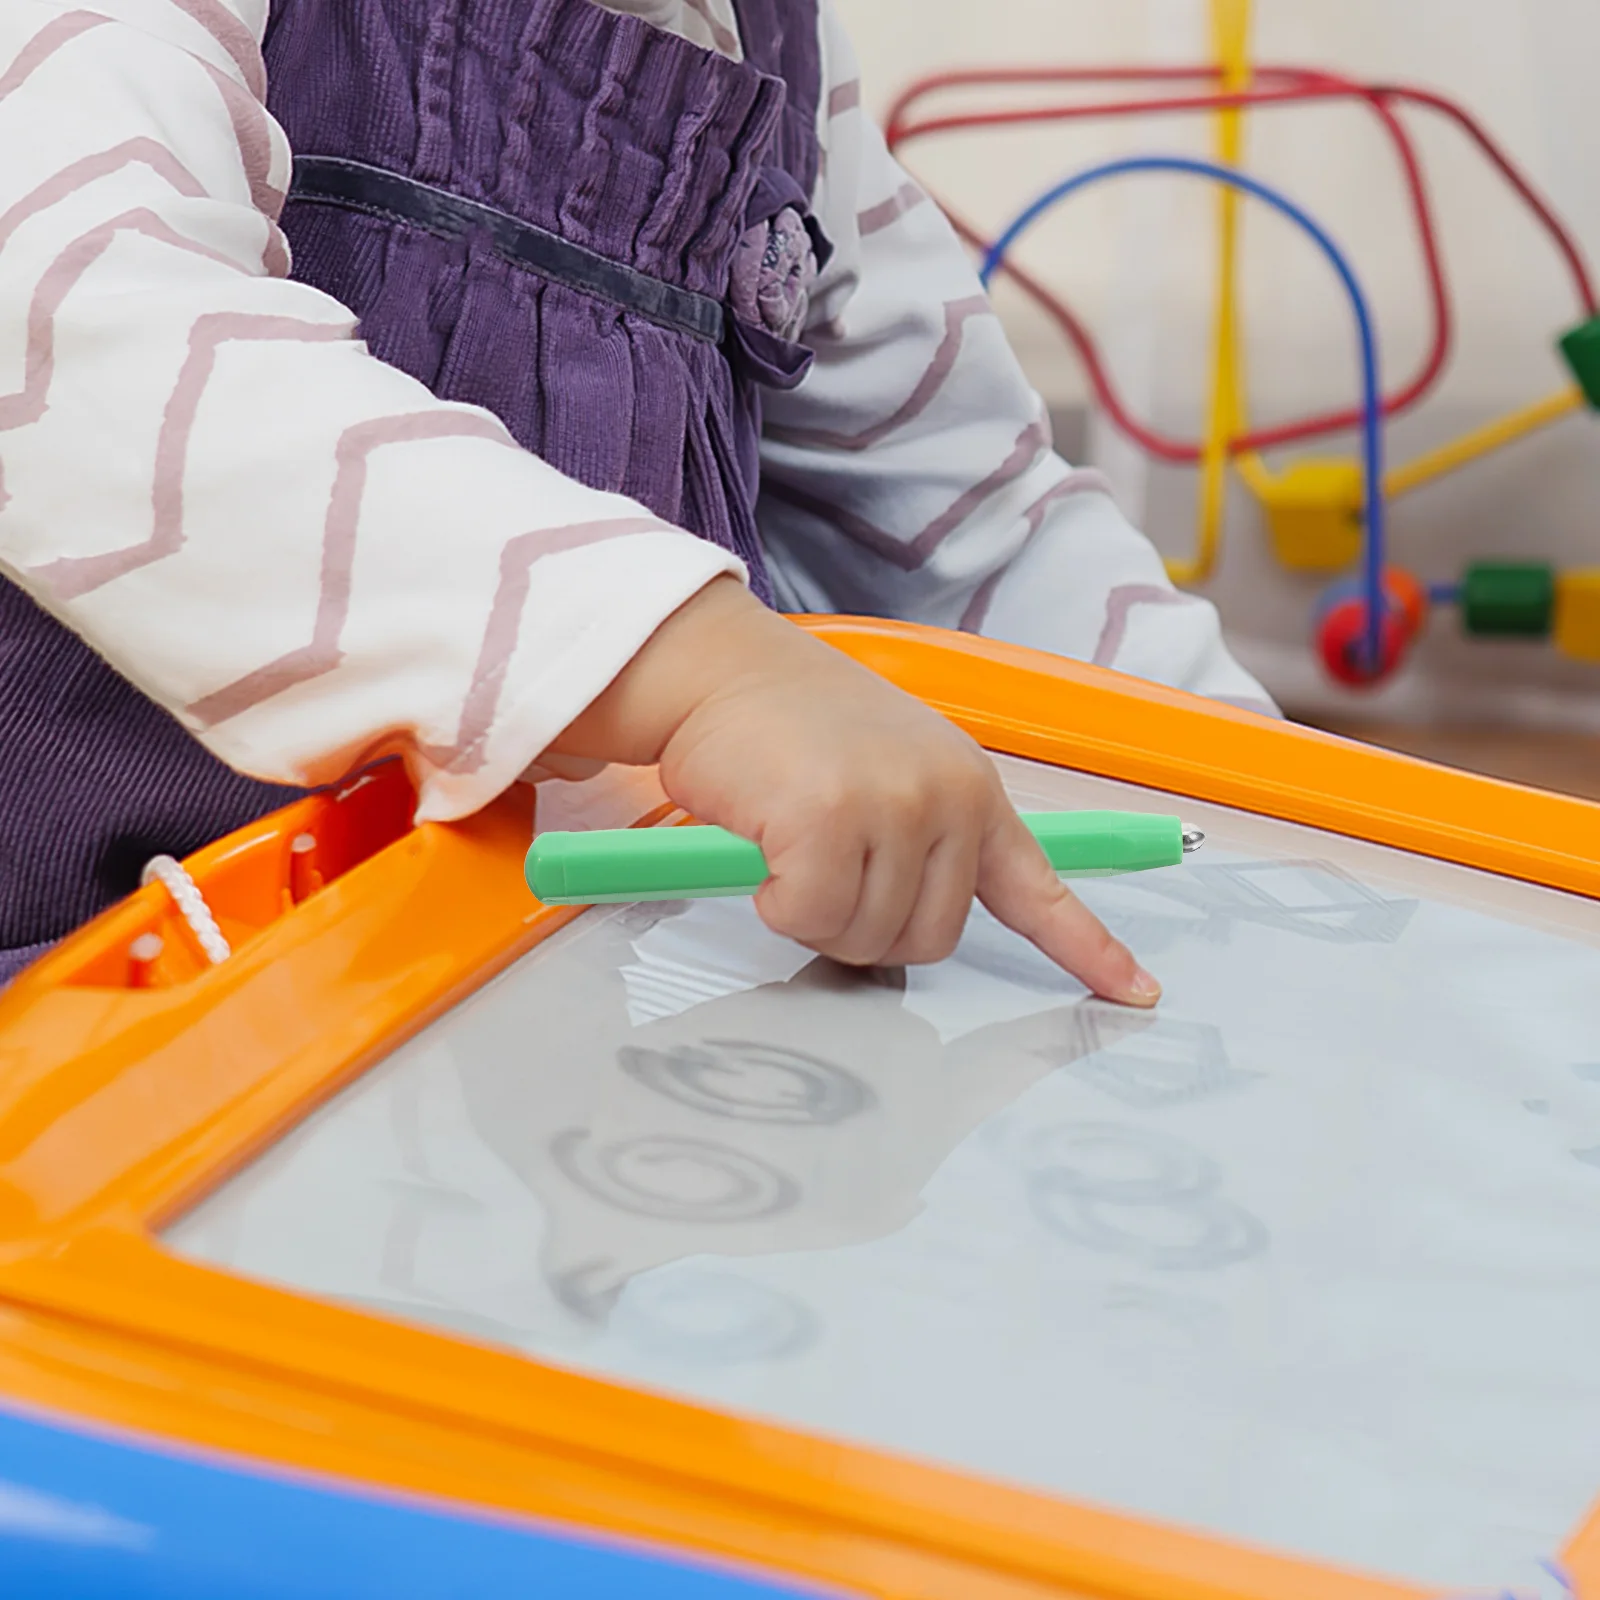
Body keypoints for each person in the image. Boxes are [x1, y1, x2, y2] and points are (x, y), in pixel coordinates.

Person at [0, 0, 1271, 1000]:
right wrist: (711, 667)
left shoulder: (782, 54)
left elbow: (974, 527)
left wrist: (1290, 811)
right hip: (84, 1010)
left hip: (489, 1011)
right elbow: (72, 334)